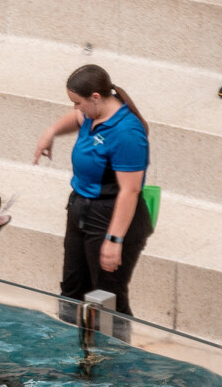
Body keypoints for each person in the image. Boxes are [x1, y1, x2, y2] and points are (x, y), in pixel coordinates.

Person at [33, 64, 152, 332]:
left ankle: (119, 364)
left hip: (110, 217)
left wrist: (114, 239)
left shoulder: (126, 133)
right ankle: (74, 352)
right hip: (81, 209)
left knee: (107, 298)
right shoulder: (91, 114)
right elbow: (75, 119)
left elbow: (130, 190)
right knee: (72, 288)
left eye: (78, 103)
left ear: (96, 98)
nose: (76, 109)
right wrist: (50, 132)